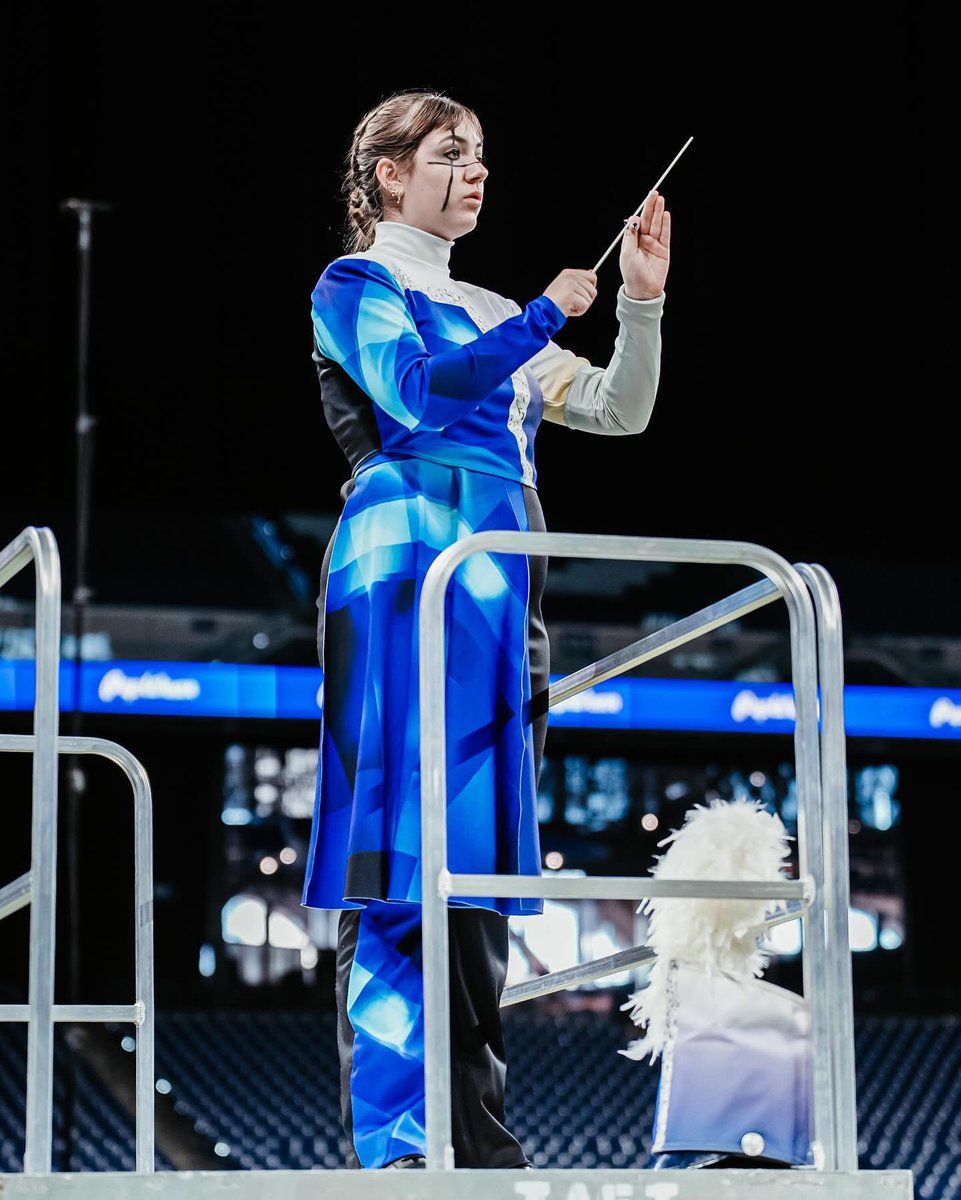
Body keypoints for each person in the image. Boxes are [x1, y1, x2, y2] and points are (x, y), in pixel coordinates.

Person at [300, 87, 671, 1170]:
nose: (476, 171)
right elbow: (414, 397)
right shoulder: (355, 283)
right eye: (450, 154)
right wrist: (544, 317)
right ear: (388, 174)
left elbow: (616, 408)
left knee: (475, 866)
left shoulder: (490, 301)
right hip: (407, 565)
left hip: (506, 585)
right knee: (399, 860)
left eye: (481, 157)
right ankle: (399, 1143)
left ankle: (476, 1134)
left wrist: (637, 306)